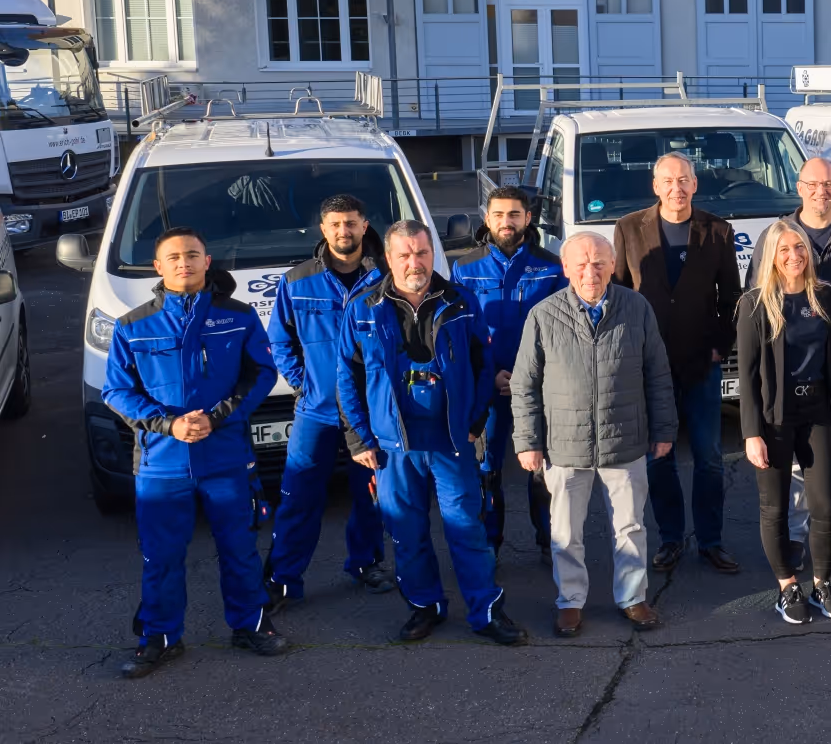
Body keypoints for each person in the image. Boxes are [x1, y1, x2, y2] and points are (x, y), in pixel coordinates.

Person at [104, 227, 290, 677]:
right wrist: (169, 423)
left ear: (208, 262)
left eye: (193, 254)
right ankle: (159, 637)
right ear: (158, 267)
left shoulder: (239, 316)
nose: (184, 262)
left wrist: (219, 415)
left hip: (225, 457)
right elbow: (116, 390)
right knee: (161, 556)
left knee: (240, 548)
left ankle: (250, 625)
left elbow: (261, 374)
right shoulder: (133, 325)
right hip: (162, 463)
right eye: (174, 257)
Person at [338, 221, 526, 645]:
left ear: (433, 255)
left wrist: (475, 423)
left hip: (451, 441)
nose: (414, 262)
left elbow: (483, 365)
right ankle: (424, 607)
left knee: (466, 527)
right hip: (393, 447)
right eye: (404, 254)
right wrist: (358, 438)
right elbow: (346, 377)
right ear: (388, 258)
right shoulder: (364, 307)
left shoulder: (460, 301)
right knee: (407, 532)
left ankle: (486, 611)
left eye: (421, 253)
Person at [512, 233, 678, 637]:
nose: (592, 271)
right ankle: (570, 601)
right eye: (582, 264)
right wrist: (527, 441)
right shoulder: (544, 314)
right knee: (566, 531)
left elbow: (657, 374)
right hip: (564, 446)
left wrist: (664, 429)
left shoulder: (635, 307)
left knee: (631, 527)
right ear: (566, 268)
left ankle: (632, 597)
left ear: (613, 264)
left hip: (625, 439)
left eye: (600, 262)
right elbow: (524, 384)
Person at [611, 152, 743, 576]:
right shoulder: (629, 229)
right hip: (648, 367)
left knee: (709, 458)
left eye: (684, 179)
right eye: (668, 180)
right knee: (658, 458)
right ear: (655, 185)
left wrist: (720, 345)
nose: (676, 188)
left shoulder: (718, 231)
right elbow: (619, 293)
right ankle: (670, 538)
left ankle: (711, 541)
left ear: (695, 184)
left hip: (700, 364)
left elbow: (731, 299)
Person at [750, 157, 831, 570]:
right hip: (790, 370)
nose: (821, 192)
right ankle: (795, 535)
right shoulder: (778, 235)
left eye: (828, 185)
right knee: (791, 461)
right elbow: (757, 297)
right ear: (799, 187)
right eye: (813, 184)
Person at [263, 195, 393, 610]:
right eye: (335, 224)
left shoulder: (386, 278)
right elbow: (280, 341)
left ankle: (366, 563)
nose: (344, 231)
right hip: (316, 413)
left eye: (351, 223)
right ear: (323, 229)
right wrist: (305, 385)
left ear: (364, 225)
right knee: (299, 497)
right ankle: (283, 578)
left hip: (370, 414)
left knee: (371, 496)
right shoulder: (297, 281)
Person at [738, 221, 831, 624]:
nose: (794, 256)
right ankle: (788, 587)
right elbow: (748, 376)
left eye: (800, 248)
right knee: (775, 508)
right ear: (772, 254)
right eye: (785, 249)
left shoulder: (825, 297)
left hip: (819, 412)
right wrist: (751, 432)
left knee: (825, 504)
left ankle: (822, 582)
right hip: (774, 418)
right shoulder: (754, 304)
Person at [450, 186, 562, 560]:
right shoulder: (465, 268)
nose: (506, 222)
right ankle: (490, 544)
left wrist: (529, 376)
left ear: (528, 219)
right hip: (489, 386)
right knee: (487, 469)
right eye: (498, 215)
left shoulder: (551, 266)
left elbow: (560, 330)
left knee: (542, 468)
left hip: (540, 386)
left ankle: (549, 542)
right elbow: (460, 332)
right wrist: (492, 375)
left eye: (514, 214)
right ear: (487, 219)